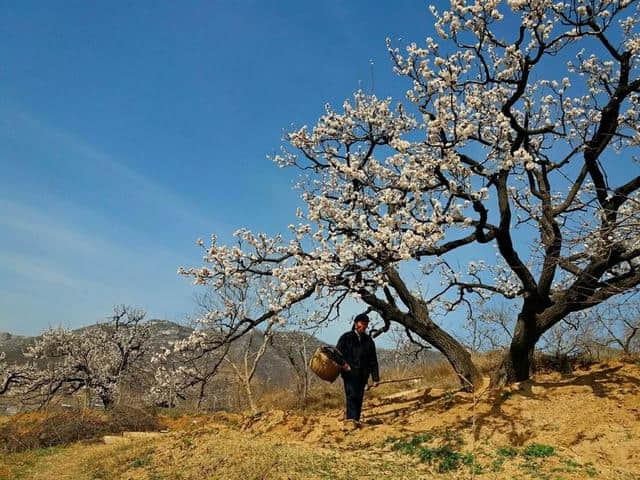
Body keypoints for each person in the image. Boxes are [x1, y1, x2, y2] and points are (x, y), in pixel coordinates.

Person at [336, 313, 380, 427]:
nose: (363, 327)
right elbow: (336, 354)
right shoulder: (346, 338)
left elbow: (373, 360)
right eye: (361, 325)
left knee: (359, 399)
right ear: (356, 324)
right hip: (349, 375)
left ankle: (355, 421)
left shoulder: (369, 341)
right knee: (351, 396)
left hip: (363, 376)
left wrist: (375, 378)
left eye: (365, 326)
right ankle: (351, 421)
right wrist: (344, 364)